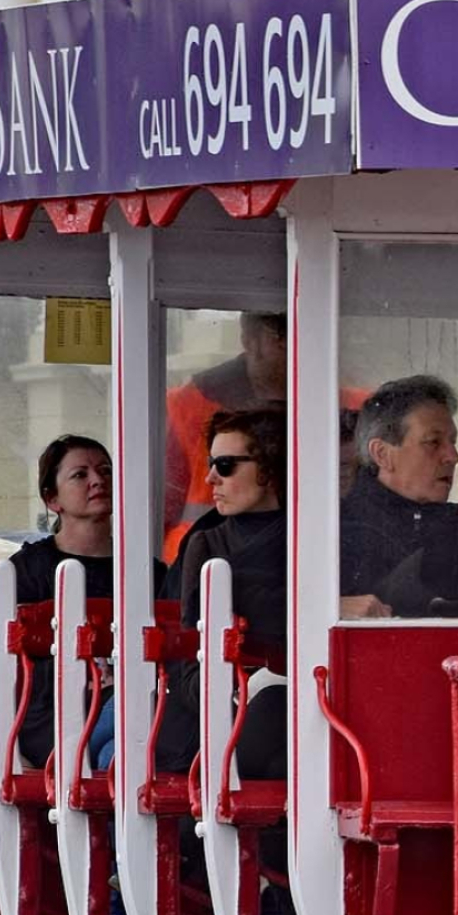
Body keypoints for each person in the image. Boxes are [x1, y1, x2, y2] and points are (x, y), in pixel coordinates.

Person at [156, 411, 288, 781]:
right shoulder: (206, 542)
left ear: (268, 467)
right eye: (212, 463)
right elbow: (191, 661)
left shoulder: (311, 532)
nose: (210, 477)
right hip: (216, 715)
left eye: (225, 465)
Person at [11, 436, 129, 771]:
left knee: (116, 757)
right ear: (52, 499)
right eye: (80, 475)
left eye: (105, 470)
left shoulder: (146, 569)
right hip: (51, 719)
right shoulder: (26, 570)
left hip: (121, 713)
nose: (98, 480)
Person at [340, 375, 458, 619]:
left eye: (452, 442)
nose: (452, 456)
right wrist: (328, 609)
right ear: (382, 454)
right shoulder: (332, 530)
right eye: (433, 442)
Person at [163, 312, 284, 557]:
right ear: (251, 340)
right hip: (201, 558)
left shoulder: (340, 399)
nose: (291, 345)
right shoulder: (188, 404)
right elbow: (162, 504)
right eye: (280, 336)